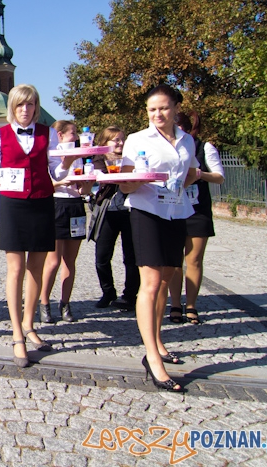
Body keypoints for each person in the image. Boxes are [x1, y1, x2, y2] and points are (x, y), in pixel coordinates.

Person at [0, 84, 69, 367]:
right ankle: (17, 333)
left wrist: (71, 162)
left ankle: (30, 325)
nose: (25, 109)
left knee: (36, 269)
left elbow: (56, 171)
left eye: (30, 104)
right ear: (13, 108)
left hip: (42, 202)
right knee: (16, 269)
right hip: (12, 205)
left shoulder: (49, 133)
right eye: (20, 105)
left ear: (36, 107)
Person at [119, 84, 199, 392]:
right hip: (146, 211)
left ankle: (159, 341)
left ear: (176, 107)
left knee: (166, 279)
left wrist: (182, 184)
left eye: (163, 108)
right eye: (152, 109)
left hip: (176, 212)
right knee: (150, 283)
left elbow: (191, 172)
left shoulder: (187, 140)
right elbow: (125, 184)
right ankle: (152, 357)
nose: (157, 114)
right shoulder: (138, 140)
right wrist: (136, 181)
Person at [169, 112, 224, 325]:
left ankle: (191, 305)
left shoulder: (204, 147)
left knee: (194, 260)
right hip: (172, 209)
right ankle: (175, 304)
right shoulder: (166, 150)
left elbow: (219, 177)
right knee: (174, 261)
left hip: (197, 210)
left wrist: (199, 174)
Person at [38, 121, 93, 324]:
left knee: (70, 261)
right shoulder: (51, 153)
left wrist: (87, 185)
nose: (76, 137)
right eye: (73, 133)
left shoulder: (78, 156)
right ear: (60, 135)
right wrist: (62, 182)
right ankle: (44, 303)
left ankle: (65, 302)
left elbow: (82, 191)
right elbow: (45, 182)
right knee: (53, 261)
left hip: (76, 206)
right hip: (56, 205)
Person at [90, 126, 139, 311]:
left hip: (130, 210)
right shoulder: (99, 159)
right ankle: (108, 291)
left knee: (131, 257)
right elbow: (101, 176)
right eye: (115, 139)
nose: (120, 143)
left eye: (121, 139)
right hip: (108, 211)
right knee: (102, 256)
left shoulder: (132, 158)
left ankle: (130, 295)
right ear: (105, 143)